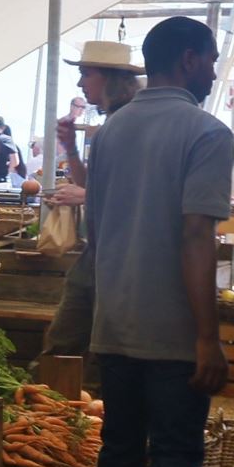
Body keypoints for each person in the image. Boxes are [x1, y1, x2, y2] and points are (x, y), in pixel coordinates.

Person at [85, 17, 231, 467]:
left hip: (114, 316)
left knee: (120, 447)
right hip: (173, 324)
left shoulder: (111, 131)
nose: (218, 69)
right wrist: (207, 334)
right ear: (191, 59)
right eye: (214, 58)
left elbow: (96, 230)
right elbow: (198, 233)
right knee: (175, 453)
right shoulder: (207, 132)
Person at [42, 41, 144, 357]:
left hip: (122, 259)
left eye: (86, 74)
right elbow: (95, 182)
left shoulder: (134, 123)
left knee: (83, 347)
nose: (79, 83)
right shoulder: (110, 125)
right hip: (96, 253)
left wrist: (86, 195)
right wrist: (70, 148)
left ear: (109, 78)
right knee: (63, 342)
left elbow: (139, 191)